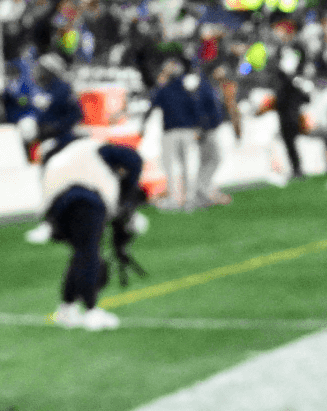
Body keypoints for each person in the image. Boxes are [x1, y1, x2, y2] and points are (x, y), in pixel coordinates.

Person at [36, 133, 148, 331]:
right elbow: (134, 159)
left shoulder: (62, 156)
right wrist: (127, 192)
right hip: (85, 200)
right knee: (89, 255)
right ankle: (91, 311)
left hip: (55, 209)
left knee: (81, 253)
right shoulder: (96, 148)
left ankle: (67, 308)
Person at [150, 60, 202, 210]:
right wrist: (198, 127)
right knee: (188, 166)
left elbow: (152, 105)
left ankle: (174, 200)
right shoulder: (188, 90)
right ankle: (189, 200)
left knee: (172, 167)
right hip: (187, 130)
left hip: (171, 131)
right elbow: (196, 109)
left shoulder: (164, 90)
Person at [194, 63, 237, 207]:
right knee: (213, 159)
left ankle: (203, 191)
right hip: (206, 130)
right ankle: (202, 191)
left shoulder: (211, 87)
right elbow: (202, 110)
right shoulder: (204, 88)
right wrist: (202, 128)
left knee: (209, 160)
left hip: (209, 129)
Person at [274, 71, 311, 178]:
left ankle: (297, 169)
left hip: (286, 121)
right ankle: (298, 169)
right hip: (296, 121)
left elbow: (278, 105)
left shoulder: (281, 91)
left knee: (291, 147)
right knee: (293, 146)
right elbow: (307, 99)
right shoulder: (296, 89)